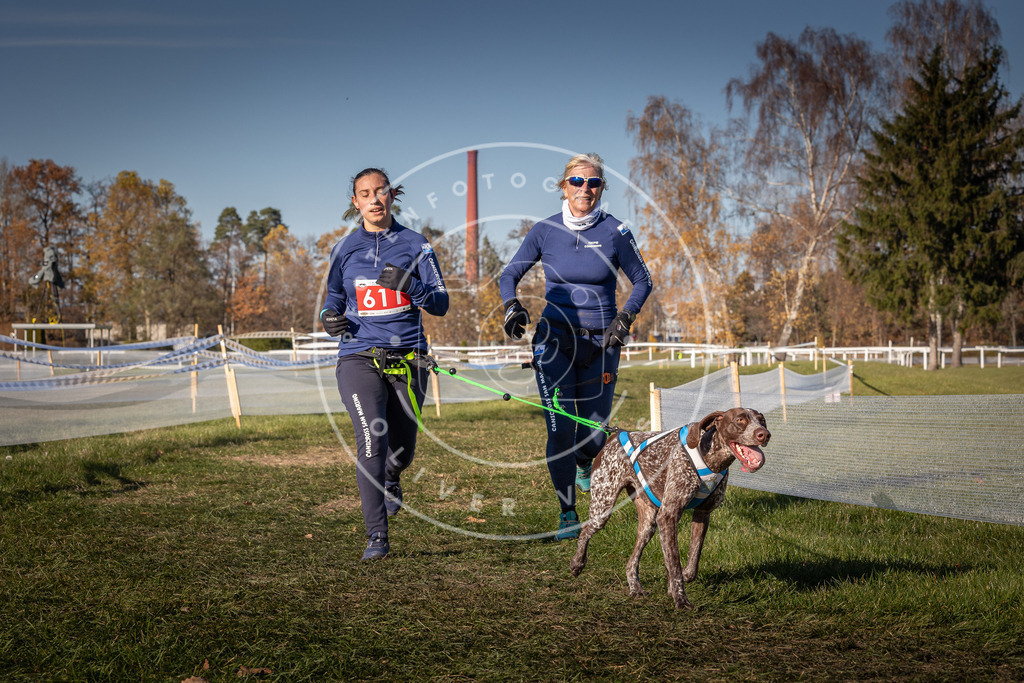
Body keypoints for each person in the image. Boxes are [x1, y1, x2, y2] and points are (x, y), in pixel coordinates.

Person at [499, 153, 653, 541]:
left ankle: (586, 461)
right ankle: (568, 514)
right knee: (560, 428)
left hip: (602, 341)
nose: (585, 189)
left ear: (602, 188)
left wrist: (626, 316)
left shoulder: (616, 230)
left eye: (594, 183)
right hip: (554, 339)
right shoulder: (545, 231)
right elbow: (510, 272)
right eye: (577, 182)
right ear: (563, 186)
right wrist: (511, 305)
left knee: (594, 436)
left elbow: (642, 280)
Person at [320, 168, 449, 561]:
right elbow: (333, 301)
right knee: (371, 442)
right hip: (358, 356)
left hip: (409, 358)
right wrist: (329, 318)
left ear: (392, 196)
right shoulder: (343, 249)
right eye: (365, 193)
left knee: (402, 450)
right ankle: (377, 536)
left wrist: (411, 285)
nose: (374, 199)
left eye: (380, 192)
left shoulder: (416, 244)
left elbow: (440, 304)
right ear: (355, 202)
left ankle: (393, 478)